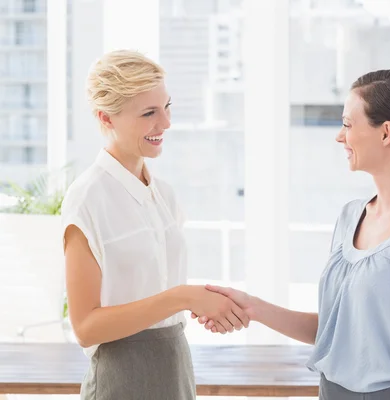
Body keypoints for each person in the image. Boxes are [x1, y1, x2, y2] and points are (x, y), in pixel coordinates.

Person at [195, 70, 390, 400]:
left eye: (348, 125)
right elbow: (334, 332)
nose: (340, 137)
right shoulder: (351, 216)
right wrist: (252, 308)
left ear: (385, 133)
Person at [61, 50, 249, 400]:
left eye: (167, 107)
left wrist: (204, 303)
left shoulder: (164, 195)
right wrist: (181, 296)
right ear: (107, 118)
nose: (165, 124)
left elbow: (163, 296)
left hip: (175, 369)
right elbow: (86, 328)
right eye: (149, 113)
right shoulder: (87, 198)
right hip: (121, 379)